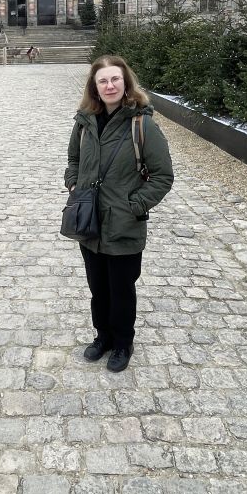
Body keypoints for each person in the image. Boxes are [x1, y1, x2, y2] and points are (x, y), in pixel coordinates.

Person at [64, 55, 174, 372]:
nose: (109, 85)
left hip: (124, 224)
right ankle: (103, 337)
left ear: (125, 83)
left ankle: (123, 342)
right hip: (89, 221)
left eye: (115, 79)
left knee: (122, 289)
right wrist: (74, 185)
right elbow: (73, 161)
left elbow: (163, 176)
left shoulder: (142, 125)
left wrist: (133, 205)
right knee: (98, 288)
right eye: (103, 80)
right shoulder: (84, 122)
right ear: (94, 87)